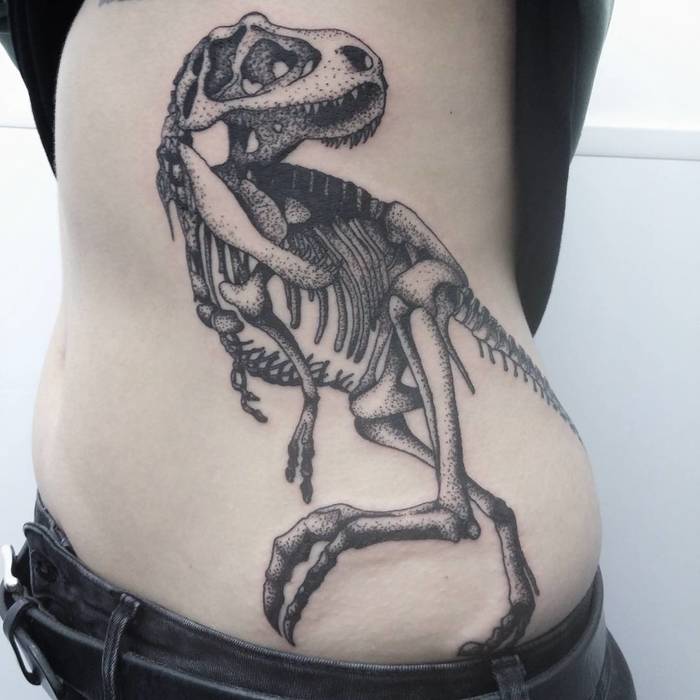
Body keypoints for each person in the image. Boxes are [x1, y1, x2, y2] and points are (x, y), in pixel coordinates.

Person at [1, 1, 636, 698]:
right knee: (377, 413)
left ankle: (452, 506)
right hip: (72, 598)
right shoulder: (225, 181)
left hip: (293, 666)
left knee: (413, 305)